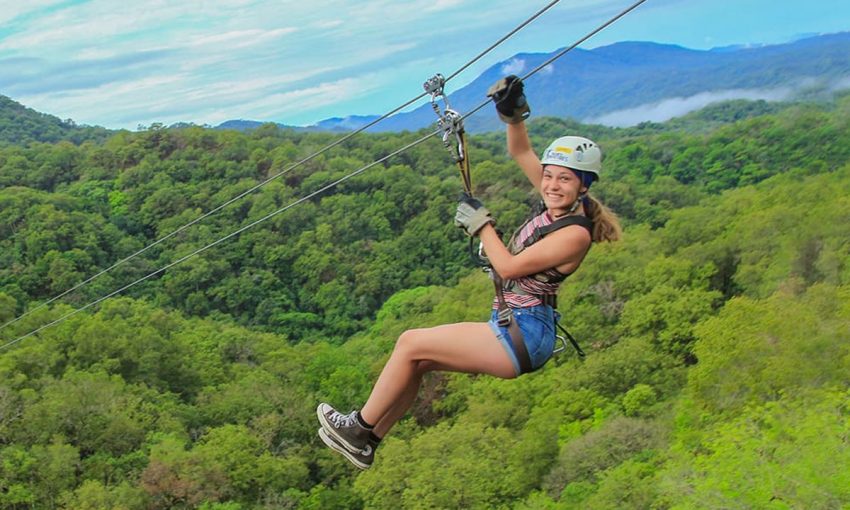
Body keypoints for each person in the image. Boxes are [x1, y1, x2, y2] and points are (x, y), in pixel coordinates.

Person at [316, 75, 621, 469]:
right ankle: (368, 439)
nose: (552, 184)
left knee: (410, 342)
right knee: (418, 360)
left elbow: (508, 266)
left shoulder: (574, 234)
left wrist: (482, 226)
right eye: (549, 175)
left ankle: (357, 427)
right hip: (518, 327)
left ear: (583, 186)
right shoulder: (556, 203)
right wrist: (513, 115)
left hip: (524, 335)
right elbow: (522, 151)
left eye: (565, 178)